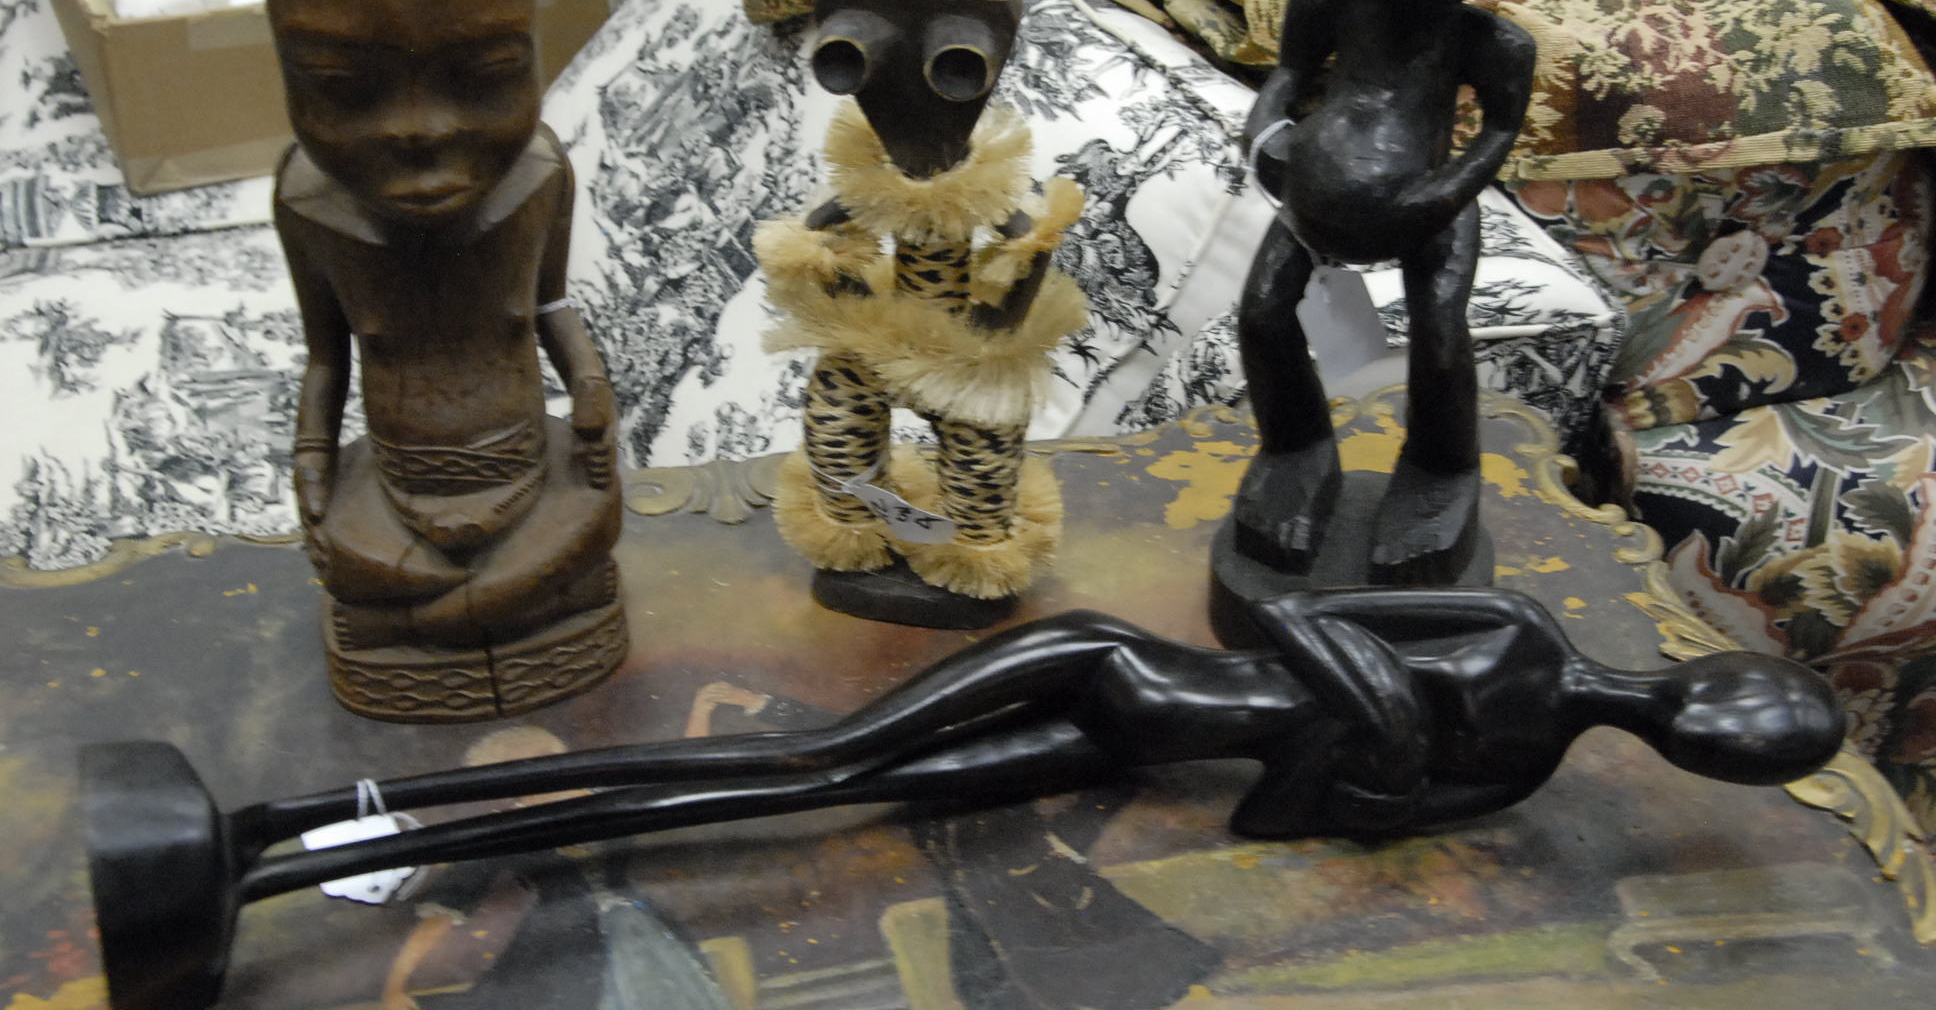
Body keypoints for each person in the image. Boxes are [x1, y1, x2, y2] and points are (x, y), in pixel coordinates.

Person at [244, 586, 1844, 898]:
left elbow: (1285, 819)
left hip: (1112, 758)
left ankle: (308, 860)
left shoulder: (1520, 770)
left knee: (813, 811)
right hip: (1106, 665)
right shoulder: (1513, 632)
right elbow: (1298, 616)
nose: (1695, 726)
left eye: (1724, 749)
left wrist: (1360, 736)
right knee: (809, 760)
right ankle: (315, 816)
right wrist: (1371, 723)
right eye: (1723, 705)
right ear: (1707, 673)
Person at [261, 0, 622, 712]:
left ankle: (452, 615)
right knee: (354, 568)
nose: (420, 134)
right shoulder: (308, 203)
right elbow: (327, 359)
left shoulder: (537, 178)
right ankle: (467, 609)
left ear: (531, 42)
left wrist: (592, 395)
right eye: (347, 87)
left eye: (484, 73)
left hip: (527, 479)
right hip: (399, 494)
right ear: (284, 65)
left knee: (590, 523)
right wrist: (312, 466)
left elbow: (550, 311)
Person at [1231, 0, 1577, 584]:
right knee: (1264, 316)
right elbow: (1286, 82)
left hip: (1429, 211)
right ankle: (1295, 452)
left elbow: (1496, 134)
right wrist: (1268, 141)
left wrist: (1438, 197)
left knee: (1439, 335)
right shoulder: (1321, 6)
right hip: (1310, 203)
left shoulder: (1490, 45)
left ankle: (1440, 471)